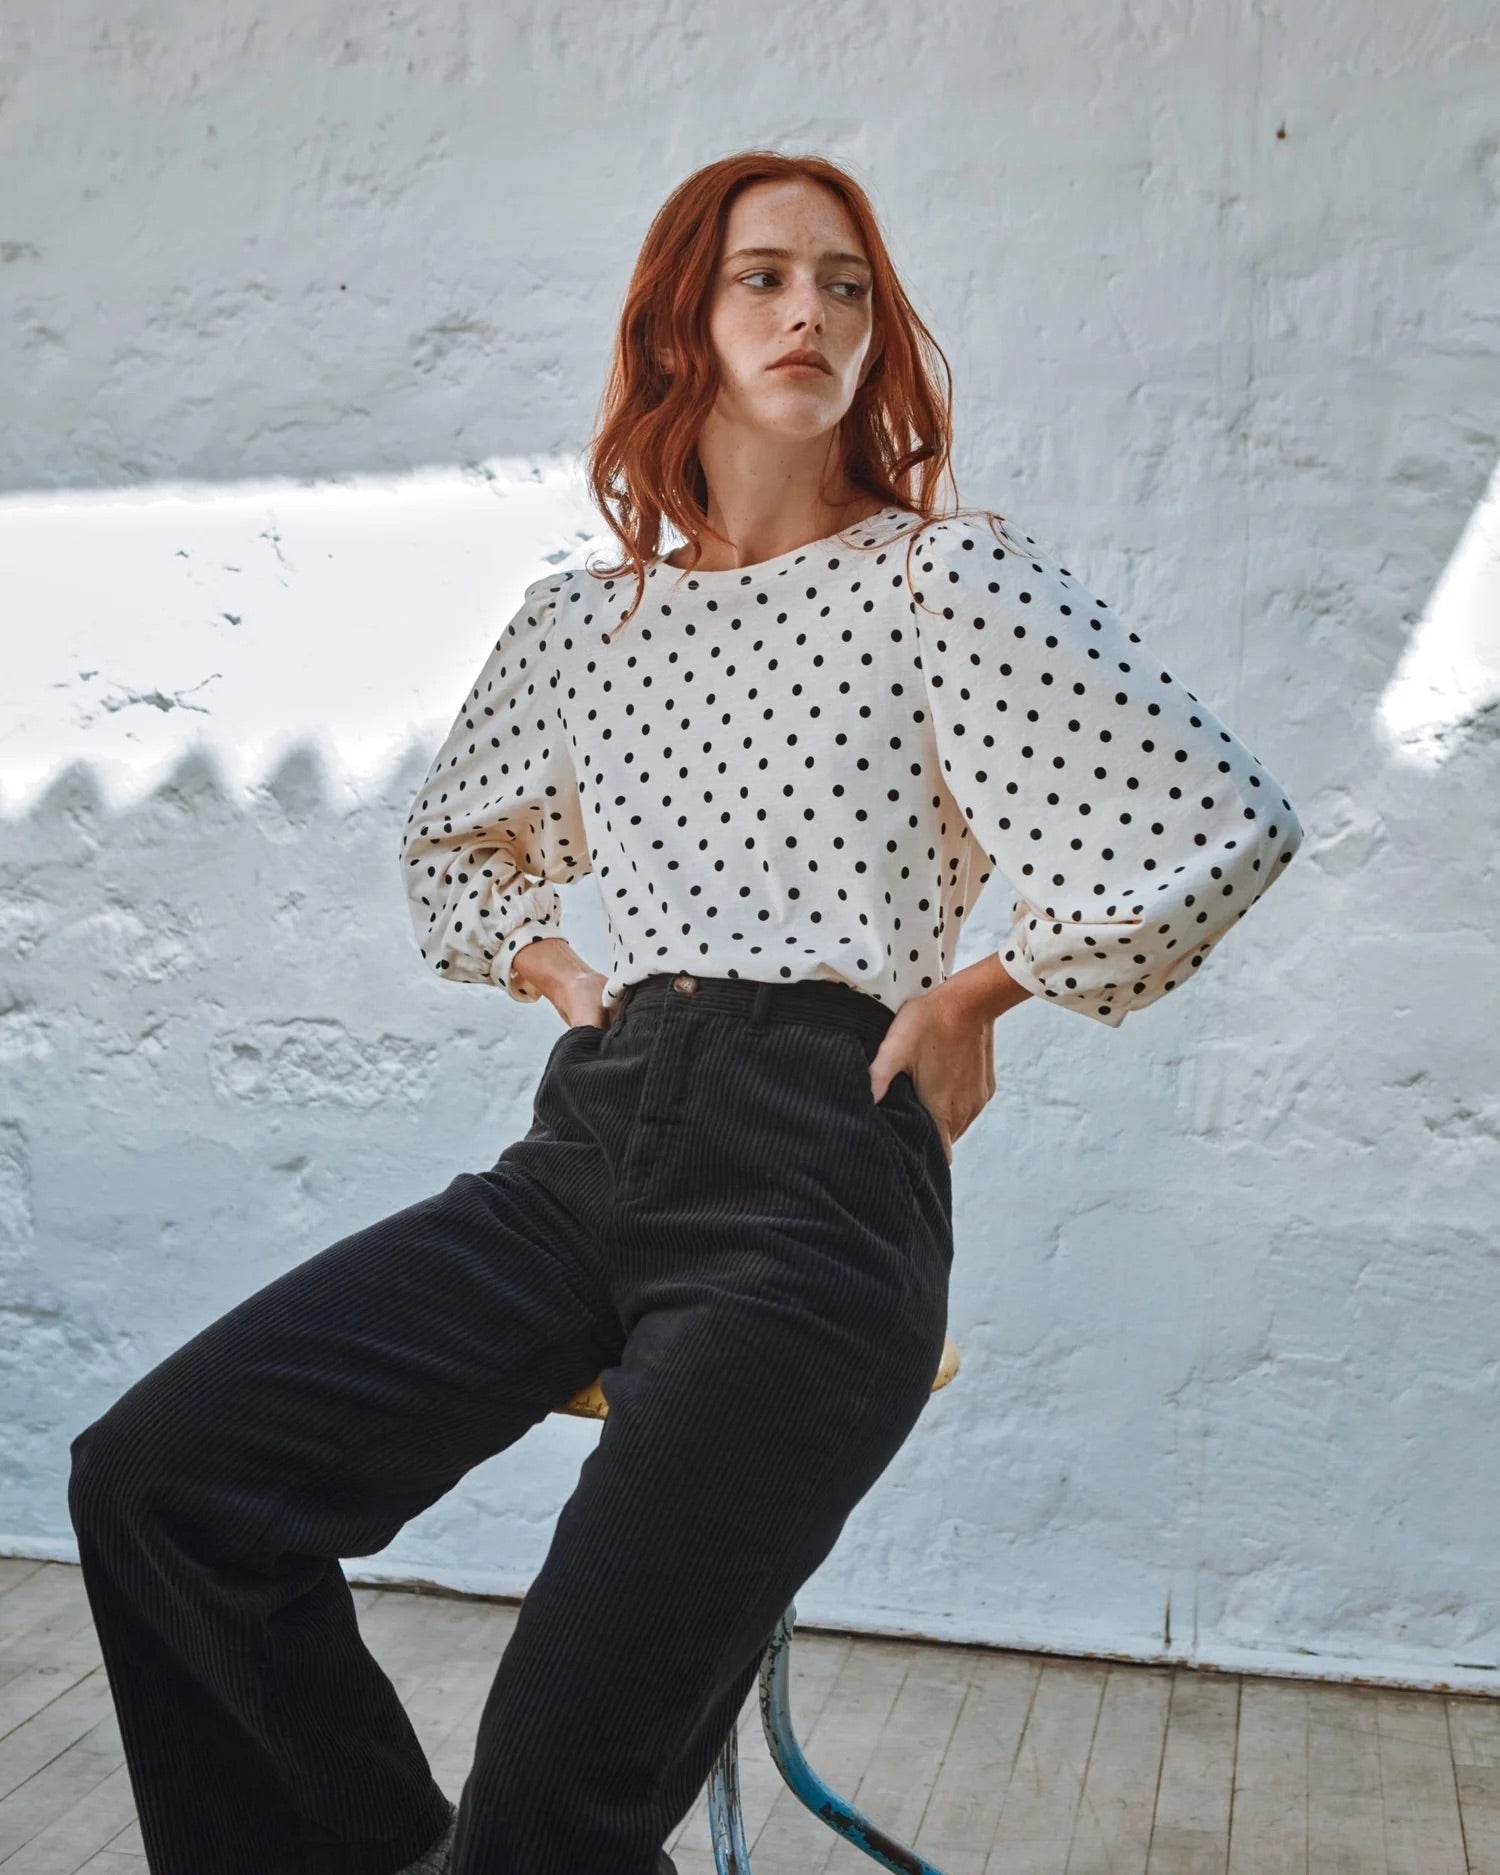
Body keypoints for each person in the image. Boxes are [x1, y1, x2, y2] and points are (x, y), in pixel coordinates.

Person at [66, 149, 1305, 1875]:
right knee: (156, 1487)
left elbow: (1215, 819)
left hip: (816, 1178)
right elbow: (453, 851)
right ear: (682, 328)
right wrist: (549, 967)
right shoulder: (586, 627)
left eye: (849, 284)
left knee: (554, 1803)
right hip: (585, 1146)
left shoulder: (943, 580)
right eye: (765, 278)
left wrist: (983, 988)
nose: (813, 310)